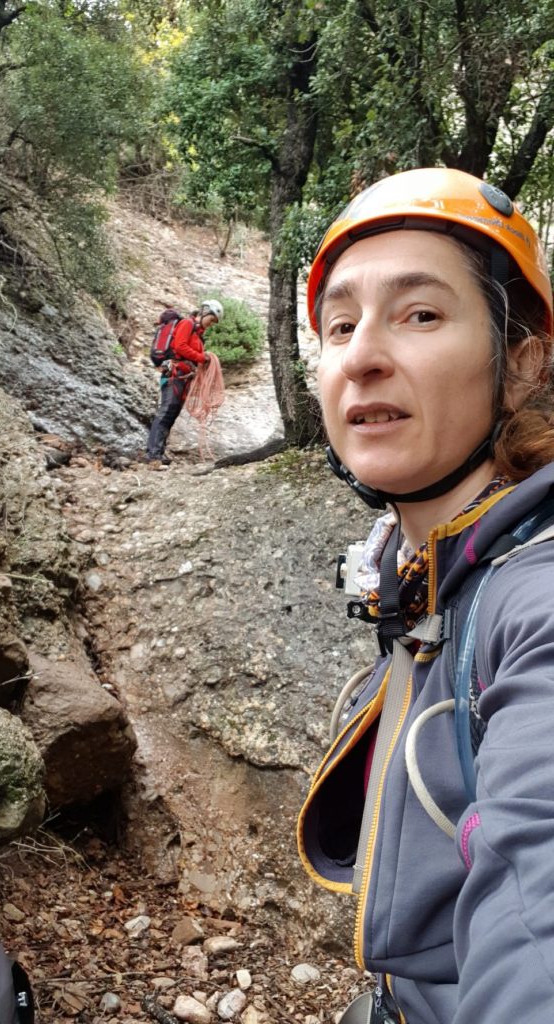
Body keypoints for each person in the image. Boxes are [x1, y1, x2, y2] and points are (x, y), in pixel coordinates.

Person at [297, 167, 554, 1023]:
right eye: (341, 323)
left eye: (420, 314)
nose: (363, 354)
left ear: (521, 365)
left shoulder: (532, 595)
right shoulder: (426, 575)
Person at [146, 299, 224, 464]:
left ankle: (158, 453)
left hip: (183, 377)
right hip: (174, 374)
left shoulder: (198, 335)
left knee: (171, 414)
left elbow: (191, 355)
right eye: (211, 320)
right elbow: (180, 347)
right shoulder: (187, 324)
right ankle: (153, 455)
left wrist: (201, 361)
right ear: (204, 312)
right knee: (166, 411)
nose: (211, 324)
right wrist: (202, 357)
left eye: (214, 323)